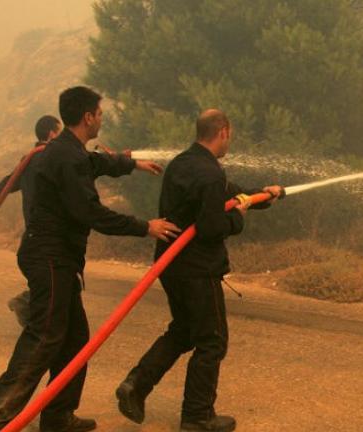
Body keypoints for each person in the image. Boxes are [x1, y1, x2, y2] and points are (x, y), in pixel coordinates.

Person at [0, 86, 181, 432]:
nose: (102, 120)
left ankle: (59, 415)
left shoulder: (67, 151)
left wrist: (133, 163)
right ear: (88, 117)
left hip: (57, 257)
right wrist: (145, 227)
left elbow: (97, 161)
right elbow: (91, 213)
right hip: (49, 257)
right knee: (44, 335)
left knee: (76, 340)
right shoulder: (66, 157)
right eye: (100, 114)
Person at [115, 109, 283, 432]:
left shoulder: (183, 163)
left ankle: (135, 385)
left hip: (171, 266)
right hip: (197, 271)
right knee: (212, 340)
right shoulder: (210, 174)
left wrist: (265, 195)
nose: (229, 142)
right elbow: (210, 227)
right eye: (229, 136)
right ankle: (196, 416)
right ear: (222, 132)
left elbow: (231, 192)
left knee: (183, 331)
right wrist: (239, 219)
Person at [0, 115, 62, 327]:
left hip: (35, 236)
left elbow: (10, 181)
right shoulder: (49, 159)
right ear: (51, 133)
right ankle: (27, 306)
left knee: (57, 281)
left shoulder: (30, 160)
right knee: (56, 281)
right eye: (60, 132)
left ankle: (34, 311)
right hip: (44, 237)